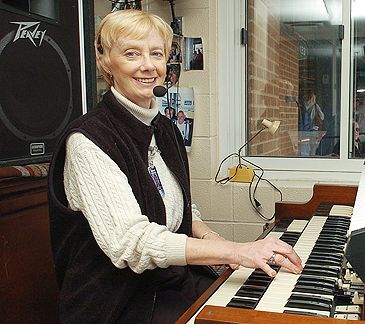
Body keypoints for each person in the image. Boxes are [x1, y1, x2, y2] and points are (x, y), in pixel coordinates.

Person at [48, 9, 302, 324]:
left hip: (168, 283)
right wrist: (235, 251)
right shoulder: (87, 142)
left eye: (156, 54)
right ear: (105, 62)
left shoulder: (165, 128)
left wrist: (216, 241)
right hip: (116, 304)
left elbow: (178, 210)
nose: (147, 65)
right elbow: (133, 244)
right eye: (131, 54)